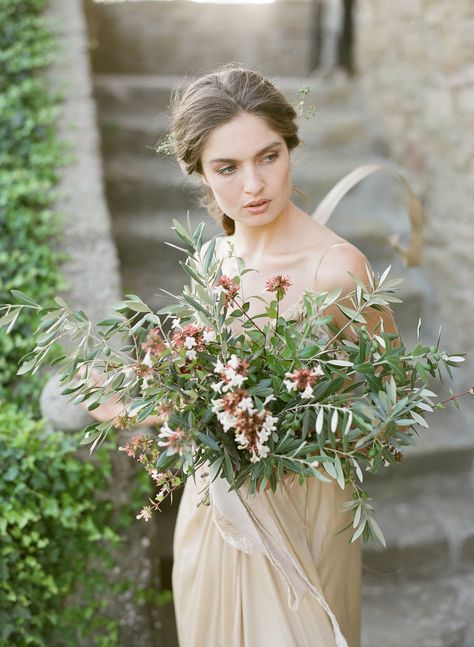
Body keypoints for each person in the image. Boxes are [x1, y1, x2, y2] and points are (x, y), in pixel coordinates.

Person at [168, 63, 400, 647]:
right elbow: (199, 386)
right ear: (198, 171)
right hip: (214, 509)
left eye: (268, 157)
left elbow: (391, 393)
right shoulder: (210, 260)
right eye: (228, 168)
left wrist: (303, 421)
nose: (254, 185)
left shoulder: (338, 270)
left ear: (289, 147)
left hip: (306, 511)